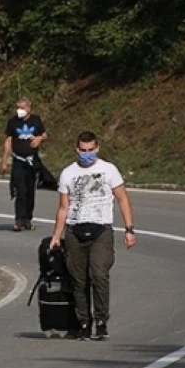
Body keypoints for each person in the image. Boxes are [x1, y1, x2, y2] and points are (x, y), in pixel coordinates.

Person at [50, 131, 136, 341]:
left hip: (101, 230)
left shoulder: (109, 170)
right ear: (76, 150)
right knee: (79, 281)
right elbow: (63, 207)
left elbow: (123, 199)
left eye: (90, 150)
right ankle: (84, 322)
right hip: (75, 230)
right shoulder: (68, 173)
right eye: (83, 150)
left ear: (97, 148)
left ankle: (101, 320)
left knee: (99, 274)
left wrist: (129, 229)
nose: (86, 154)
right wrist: (56, 235)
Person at [0, 98, 47, 232]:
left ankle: (28, 219)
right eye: (17, 107)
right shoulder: (13, 122)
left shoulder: (36, 120)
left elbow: (44, 135)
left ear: (29, 108)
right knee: (20, 190)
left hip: (32, 161)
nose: (19, 110)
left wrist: (39, 139)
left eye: (22, 107)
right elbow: (8, 141)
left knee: (30, 191)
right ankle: (18, 220)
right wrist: (4, 160)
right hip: (18, 160)